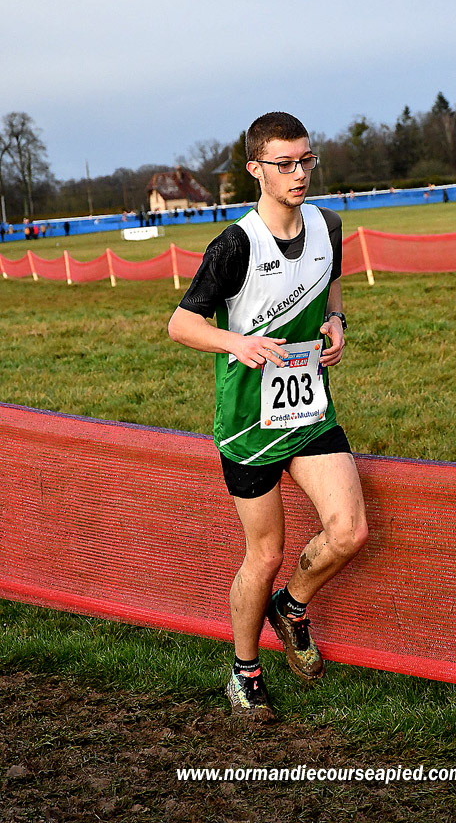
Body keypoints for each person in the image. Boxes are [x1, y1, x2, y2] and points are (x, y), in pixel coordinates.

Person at [168, 111, 368, 722]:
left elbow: (332, 283)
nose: (299, 173)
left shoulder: (328, 225)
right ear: (256, 169)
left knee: (349, 532)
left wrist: (335, 322)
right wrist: (239, 343)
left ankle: (292, 607)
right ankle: (244, 671)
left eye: (306, 160)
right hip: (248, 423)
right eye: (284, 164)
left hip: (308, 409)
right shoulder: (235, 245)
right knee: (265, 554)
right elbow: (181, 324)